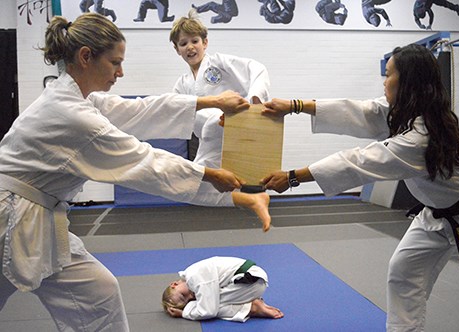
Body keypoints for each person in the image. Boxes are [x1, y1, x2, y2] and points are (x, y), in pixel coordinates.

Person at [0, 12, 267, 331]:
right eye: (115, 63)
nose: (120, 72)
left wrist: (211, 101)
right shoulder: (74, 115)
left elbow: (141, 109)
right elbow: (144, 162)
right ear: (86, 57)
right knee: (98, 294)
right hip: (11, 216)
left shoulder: (81, 99)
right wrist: (216, 179)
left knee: (99, 293)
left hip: (32, 219)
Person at [260, 44, 459, 331]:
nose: (384, 82)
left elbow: (358, 162)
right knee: (404, 272)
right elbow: (365, 112)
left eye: (389, 75)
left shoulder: (420, 137)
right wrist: (295, 106)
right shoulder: (407, 112)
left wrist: (293, 177)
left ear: (408, 81)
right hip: (436, 217)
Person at [169, 10, 272, 228]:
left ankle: (251, 190)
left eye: (195, 41)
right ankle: (249, 199)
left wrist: (254, 99)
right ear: (176, 50)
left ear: (205, 43)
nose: (190, 47)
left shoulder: (219, 62)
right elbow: (177, 111)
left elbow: (257, 68)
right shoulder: (182, 83)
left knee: (215, 120)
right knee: (187, 187)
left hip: (233, 128)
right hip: (211, 142)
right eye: (183, 43)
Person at [162, 256, 284, 321]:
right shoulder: (192, 273)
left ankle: (251, 308)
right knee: (208, 301)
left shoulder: (194, 277)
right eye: (188, 301)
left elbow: (208, 311)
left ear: (174, 284)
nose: (191, 297)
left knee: (210, 305)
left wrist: (184, 313)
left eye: (183, 295)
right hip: (250, 283)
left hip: (250, 283)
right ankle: (250, 304)